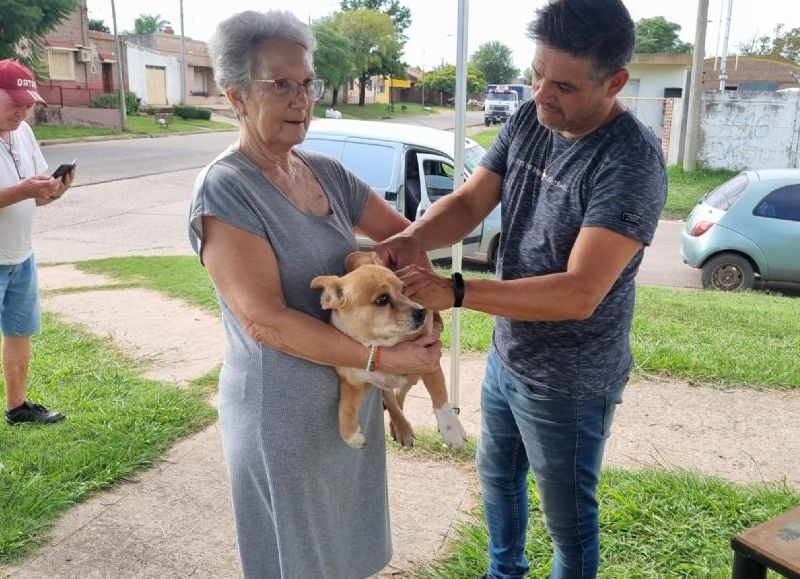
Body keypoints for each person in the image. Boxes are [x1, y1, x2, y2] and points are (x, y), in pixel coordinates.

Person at [375, 0, 666, 576]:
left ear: (615, 82)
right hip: (511, 357)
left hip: (571, 381)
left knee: (569, 526)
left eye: (562, 84)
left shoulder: (630, 161)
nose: (541, 94)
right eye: (536, 74)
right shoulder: (534, 118)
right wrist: (412, 240)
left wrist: (455, 291)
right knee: (498, 487)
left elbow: (580, 292)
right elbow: (471, 200)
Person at [188, 10, 442, 578]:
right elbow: (265, 322)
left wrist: (424, 314)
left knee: (347, 552)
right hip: (282, 413)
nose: (301, 98)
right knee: (297, 562)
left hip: (351, 399)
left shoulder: (326, 171)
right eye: (281, 84)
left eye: (307, 83)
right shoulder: (226, 189)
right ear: (235, 95)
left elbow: (404, 243)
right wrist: (384, 357)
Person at [1, 59, 75, 425]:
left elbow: (38, 197)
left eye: (27, 105)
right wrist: (24, 190)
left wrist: (56, 191)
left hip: (21, 254)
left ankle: (17, 407)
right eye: (14, 102)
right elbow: (22, 191)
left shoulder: (24, 134)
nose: (22, 111)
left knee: (20, 331)